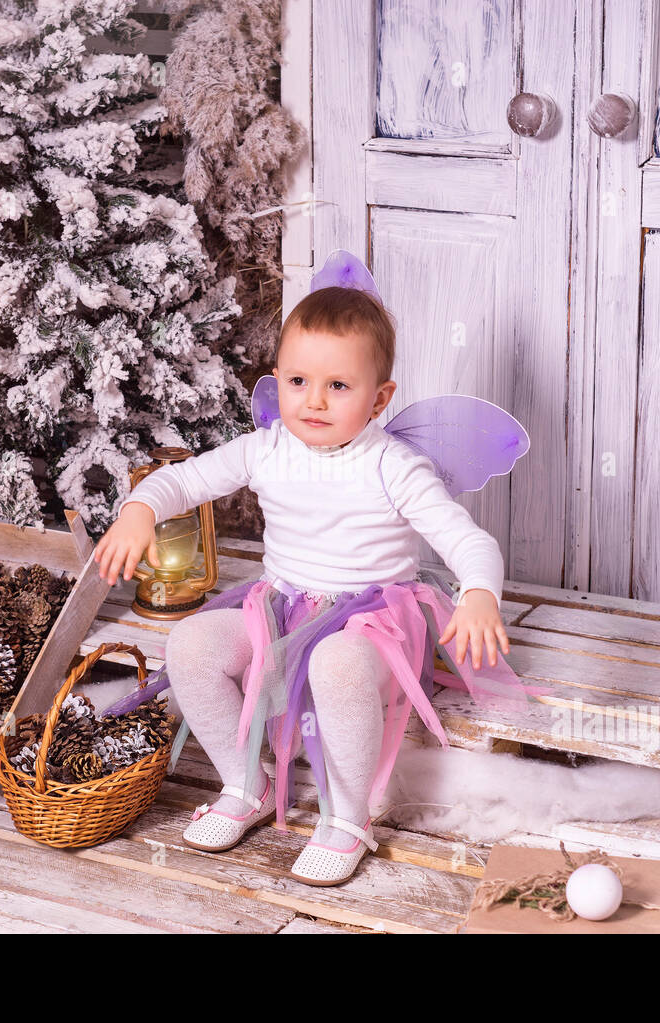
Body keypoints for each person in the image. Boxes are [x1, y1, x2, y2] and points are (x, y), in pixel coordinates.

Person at [91, 251, 539, 886]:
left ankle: (349, 816)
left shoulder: (393, 467)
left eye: (339, 386)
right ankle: (245, 780)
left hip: (375, 616)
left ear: (380, 397)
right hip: (282, 604)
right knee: (191, 644)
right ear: (277, 380)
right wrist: (140, 507)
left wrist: (479, 595)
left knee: (337, 664)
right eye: (298, 382)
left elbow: (468, 541)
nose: (314, 402)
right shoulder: (265, 449)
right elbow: (183, 480)